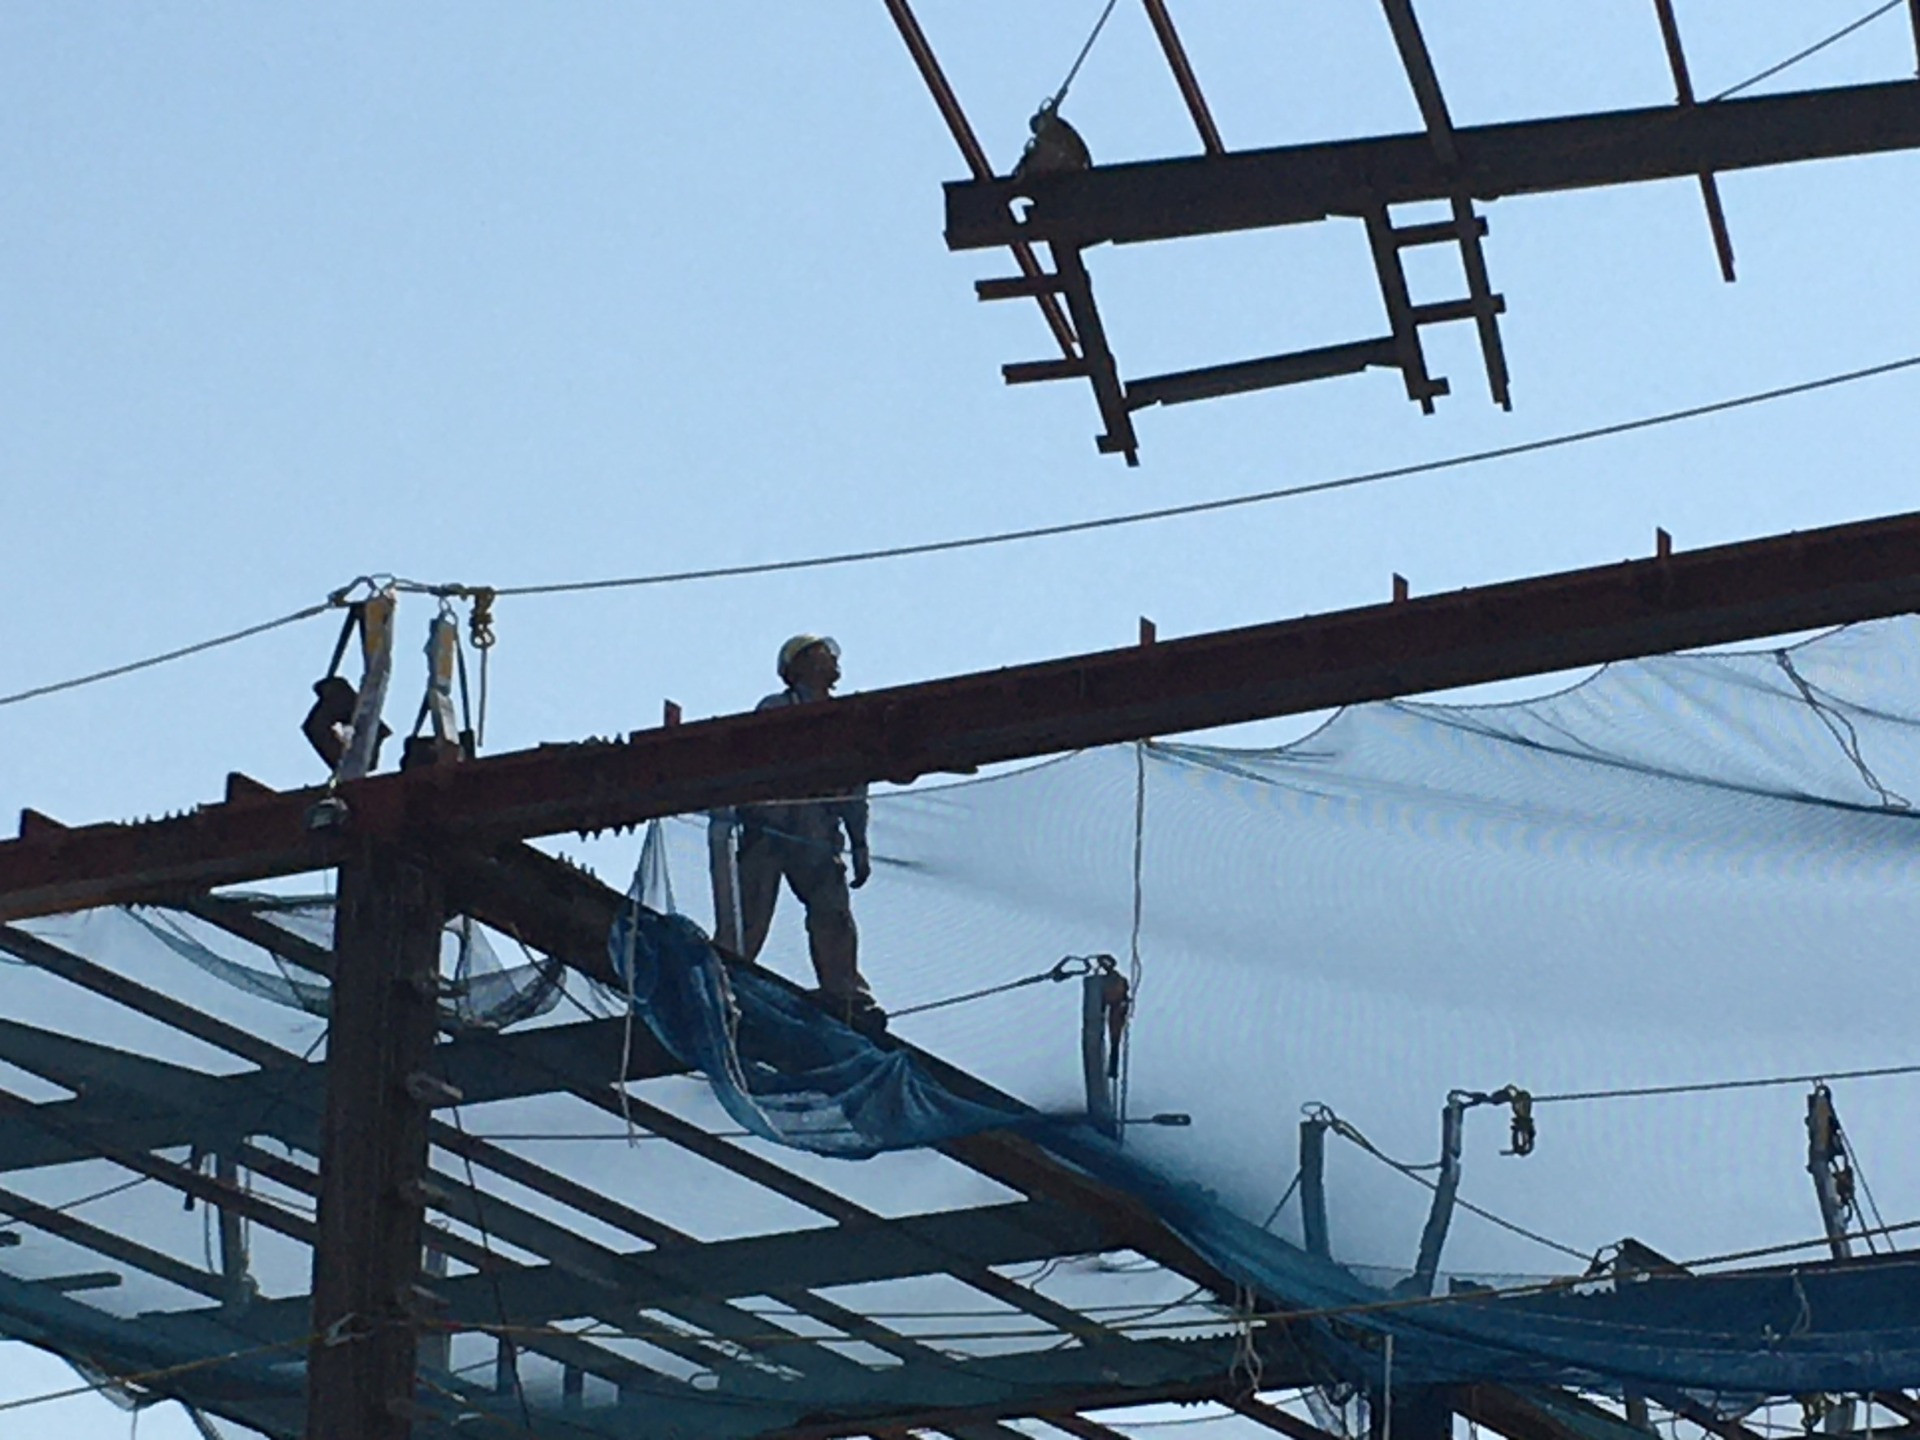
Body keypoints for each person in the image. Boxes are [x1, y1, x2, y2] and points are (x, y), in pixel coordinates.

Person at [729, 634, 883, 1032]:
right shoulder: (776, 709)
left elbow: (855, 785)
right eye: (821, 654)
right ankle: (726, 976)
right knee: (751, 911)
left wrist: (860, 843)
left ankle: (846, 993)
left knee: (832, 911)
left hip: (817, 830)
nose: (831, 659)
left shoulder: (845, 716)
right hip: (770, 826)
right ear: (796, 667)